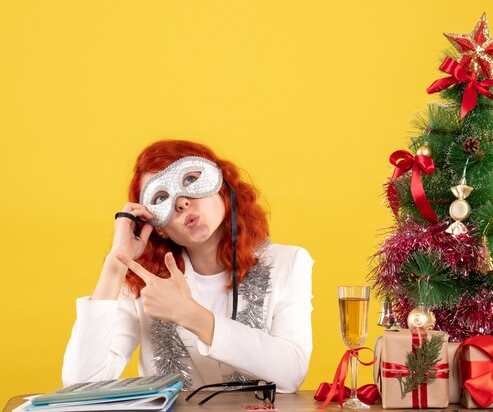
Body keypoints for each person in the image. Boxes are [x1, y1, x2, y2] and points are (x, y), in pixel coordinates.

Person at [62, 139, 314, 393]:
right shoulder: (144, 282)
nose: (181, 202)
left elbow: (291, 373)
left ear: (222, 187)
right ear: (157, 227)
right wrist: (116, 263)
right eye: (161, 197)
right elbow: (81, 384)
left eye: (191, 180)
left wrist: (189, 314)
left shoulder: (287, 263)